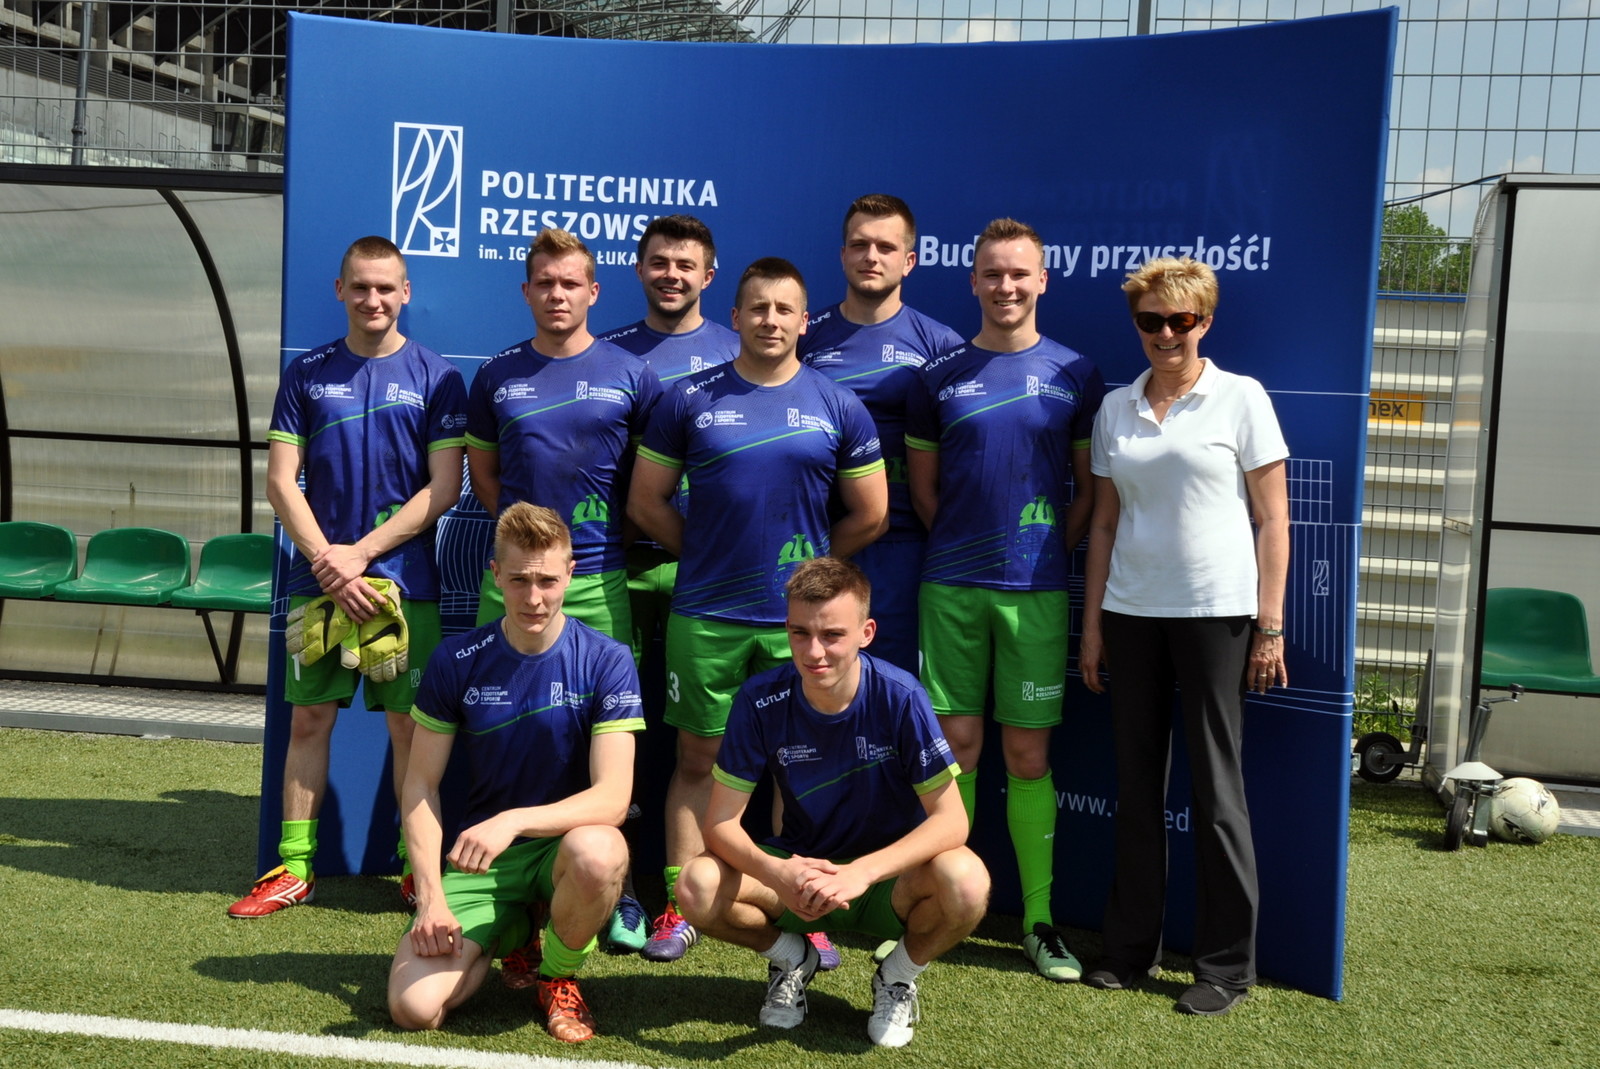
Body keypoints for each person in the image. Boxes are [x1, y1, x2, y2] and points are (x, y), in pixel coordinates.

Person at [628, 257, 889, 964]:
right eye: (758, 308)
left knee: (795, 768)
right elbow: (646, 501)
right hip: (706, 612)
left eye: (784, 310)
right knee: (696, 758)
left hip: (796, 626)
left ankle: (801, 904)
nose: (770, 320)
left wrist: (810, 579)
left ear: (804, 322)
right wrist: (706, 553)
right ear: (735, 317)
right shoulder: (687, 399)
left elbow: (871, 513)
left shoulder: (838, 404)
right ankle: (681, 902)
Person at [230, 235, 466, 918]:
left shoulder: (438, 377)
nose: (373, 299)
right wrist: (329, 564)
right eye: (360, 286)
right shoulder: (307, 373)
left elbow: (444, 487)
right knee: (308, 721)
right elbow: (281, 482)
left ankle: (416, 870)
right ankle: (294, 868)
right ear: (340, 290)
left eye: (385, 287)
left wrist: (358, 554)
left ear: (406, 292)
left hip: (404, 583)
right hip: (319, 581)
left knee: (409, 731)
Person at [1078, 256, 1289, 1016]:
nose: (1166, 333)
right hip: (1131, 614)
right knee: (1137, 789)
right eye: (1151, 321)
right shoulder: (1115, 407)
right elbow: (1105, 524)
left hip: (1217, 616)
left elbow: (1273, 520)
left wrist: (1270, 626)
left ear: (1205, 321)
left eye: (1182, 320)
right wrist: (1092, 626)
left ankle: (1226, 967)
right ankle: (1130, 950)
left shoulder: (1242, 397)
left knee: (1216, 791)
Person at [675, 557, 988, 1047]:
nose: (814, 651)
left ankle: (897, 976)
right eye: (800, 633)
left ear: (866, 633)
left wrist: (862, 872)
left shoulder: (901, 696)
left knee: (968, 881)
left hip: (885, 882)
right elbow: (719, 824)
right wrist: (779, 872)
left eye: (832, 635)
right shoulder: (759, 699)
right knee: (695, 884)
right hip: (798, 876)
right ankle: (791, 958)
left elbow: (952, 821)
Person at [904, 217, 1105, 980]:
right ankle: (943, 904)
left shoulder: (1076, 372)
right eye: (993, 273)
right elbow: (925, 492)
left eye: (1020, 273)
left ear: (1042, 280)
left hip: (1037, 594)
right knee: (956, 749)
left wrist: (1045, 554)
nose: (1006, 285)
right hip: (951, 587)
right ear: (973, 281)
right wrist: (969, 547)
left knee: (1027, 753)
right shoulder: (938, 375)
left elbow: (1087, 493)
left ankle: (1039, 921)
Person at [466, 228, 663, 954]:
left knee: (602, 739)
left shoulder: (632, 374)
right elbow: (484, 478)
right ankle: (487, 869)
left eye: (569, 282)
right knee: (499, 724)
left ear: (593, 292)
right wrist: (528, 557)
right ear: (526, 291)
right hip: (513, 585)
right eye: (544, 282)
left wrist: (576, 557)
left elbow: (649, 483)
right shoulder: (496, 376)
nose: (557, 294)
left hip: (600, 579)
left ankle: (621, 886)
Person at [387, 503, 644, 1043]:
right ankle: (516, 927)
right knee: (415, 1009)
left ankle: (557, 976)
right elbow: (420, 785)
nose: (534, 598)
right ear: (495, 575)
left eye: (548, 581)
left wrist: (512, 821)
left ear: (570, 574)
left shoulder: (607, 659)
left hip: (562, 850)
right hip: (486, 863)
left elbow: (613, 799)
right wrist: (431, 899)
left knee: (600, 850)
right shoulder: (457, 659)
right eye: (520, 580)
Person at [799, 194, 963, 676]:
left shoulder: (941, 345)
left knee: (895, 685)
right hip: (819, 539)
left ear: (908, 261)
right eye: (859, 245)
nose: (871, 257)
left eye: (886, 247)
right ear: (842, 254)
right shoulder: (805, 337)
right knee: (819, 683)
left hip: (906, 545)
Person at [596, 214, 738, 663]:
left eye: (685, 265)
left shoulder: (741, 354)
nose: (671, 275)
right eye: (659, 263)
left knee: (702, 699)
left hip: (709, 562)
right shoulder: (603, 354)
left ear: (708, 277)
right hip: (618, 559)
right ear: (639, 269)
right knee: (608, 692)